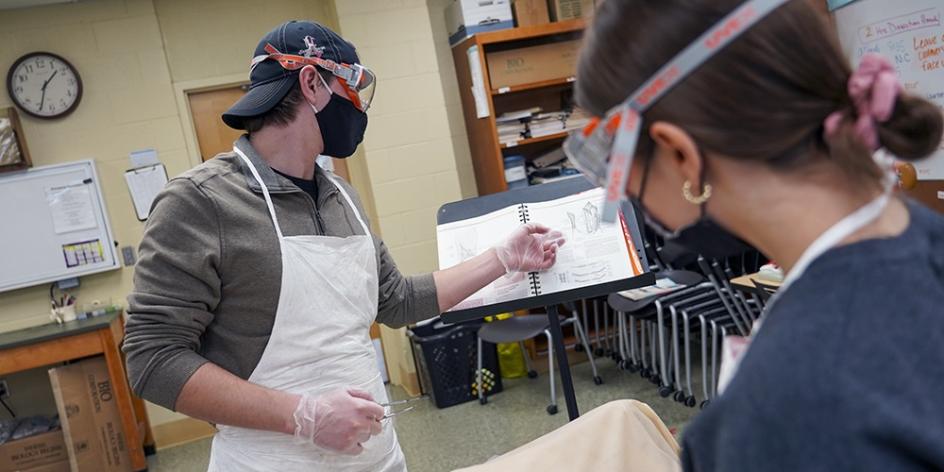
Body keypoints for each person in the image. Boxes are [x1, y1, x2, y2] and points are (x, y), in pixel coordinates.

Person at [461, 0, 944, 470]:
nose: (619, 189)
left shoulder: (777, 405)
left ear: (679, 154)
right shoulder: (923, 242)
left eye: (613, 159)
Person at [123, 20, 564, 472]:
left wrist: (502, 258)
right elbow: (152, 358)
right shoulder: (200, 202)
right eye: (349, 86)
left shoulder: (342, 197)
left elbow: (395, 301)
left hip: (376, 458)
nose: (356, 105)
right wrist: (302, 417)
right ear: (312, 83)